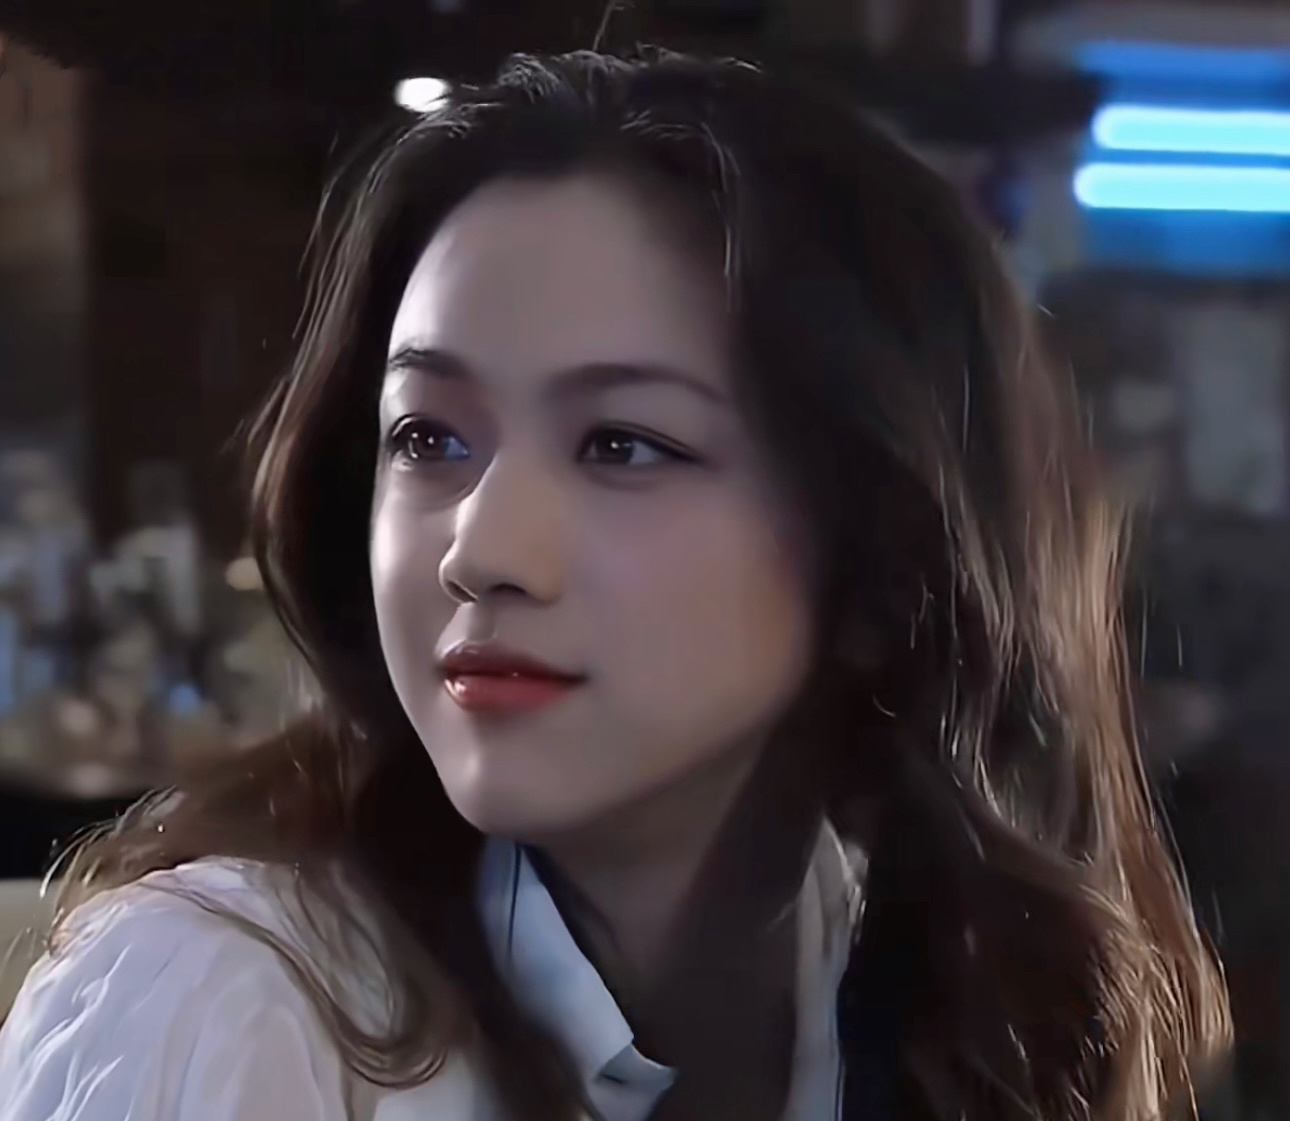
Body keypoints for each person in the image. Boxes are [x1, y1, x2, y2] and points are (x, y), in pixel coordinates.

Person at [0, 50, 1228, 1121]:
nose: (480, 550)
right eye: (429, 436)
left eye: (623, 445)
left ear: (883, 551)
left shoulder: (968, 1004)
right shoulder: (222, 1001)